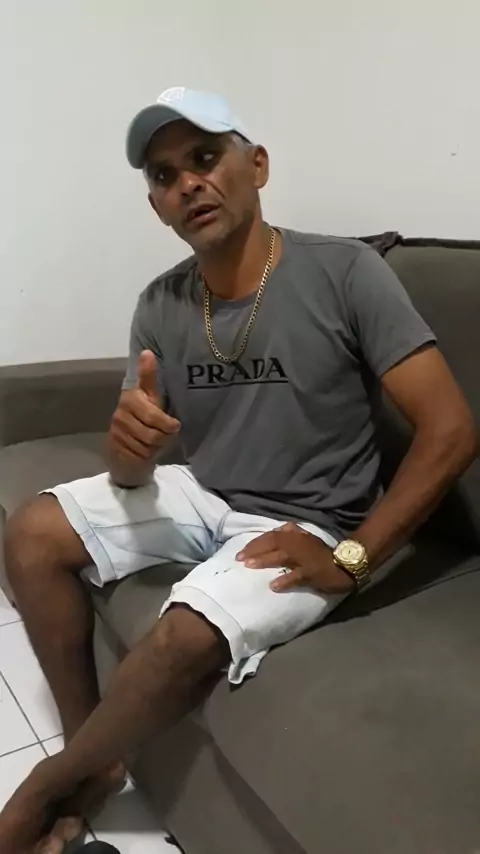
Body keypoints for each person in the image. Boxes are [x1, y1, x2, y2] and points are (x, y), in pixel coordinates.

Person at [0, 86, 477, 854]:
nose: (188, 183)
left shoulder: (346, 271)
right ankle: (94, 756)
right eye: (164, 175)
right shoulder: (160, 304)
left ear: (256, 166)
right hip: (204, 489)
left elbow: (451, 430)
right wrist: (128, 451)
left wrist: (353, 558)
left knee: (182, 636)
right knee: (30, 534)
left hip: (309, 520)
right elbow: (131, 470)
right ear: (156, 206)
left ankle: (46, 786)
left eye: (205, 157)